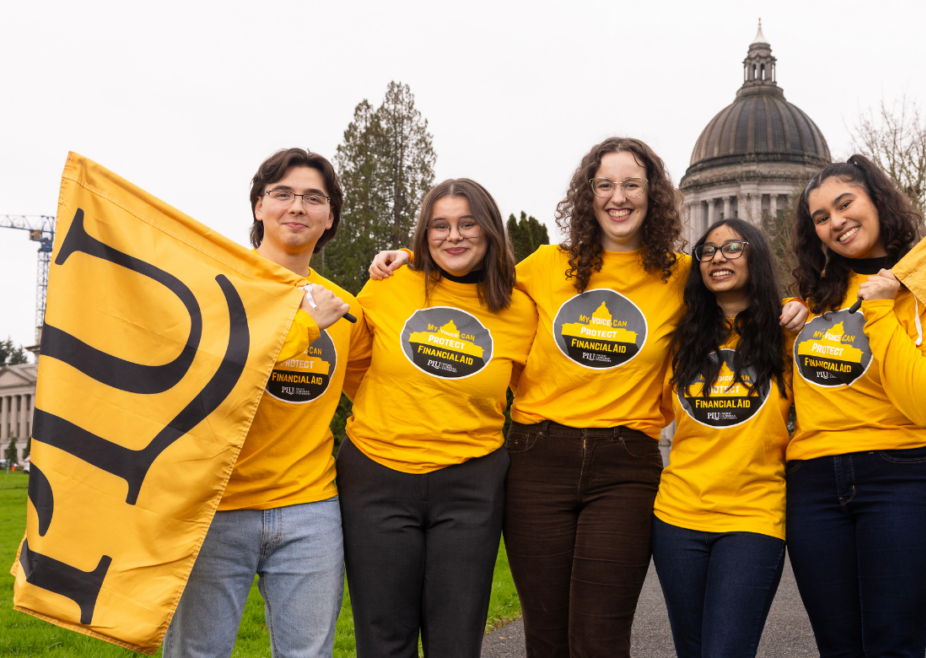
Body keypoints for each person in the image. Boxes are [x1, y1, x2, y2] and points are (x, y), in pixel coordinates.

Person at [370, 137, 808, 657]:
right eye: (604, 185)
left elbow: (740, 291)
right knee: (547, 635)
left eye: (631, 185)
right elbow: (468, 274)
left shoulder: (680, 273)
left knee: (600, 635)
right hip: (538, 459)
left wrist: (793, 304)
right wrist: (411, 258)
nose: (617, 197)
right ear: (587, 194)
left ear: (654, 196)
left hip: (624, 469)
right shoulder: (544, 266)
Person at [164, 148, 359, 658]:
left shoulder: (347, 309)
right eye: (283, 194)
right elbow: (211, 376)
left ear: (329, 217)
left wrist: (402, 266)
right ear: (258, 207)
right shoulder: (217, 291)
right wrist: (304, 327)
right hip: (214, 507)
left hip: (309, 510)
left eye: (313, 198)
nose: (297, 207)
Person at [337, 179, 537, 657]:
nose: (454, 236)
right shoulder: (390, 284)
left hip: (471, 485)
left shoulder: (520, 309)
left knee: (457, 638)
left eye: (468, 224)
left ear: (490, 231)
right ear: (423, 235)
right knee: (384, 636)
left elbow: (536, 389)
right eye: (440, 225)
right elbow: (355, 365)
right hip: (376, 476)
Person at [786, 154, 926, 658]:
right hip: (813, 486)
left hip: (900, 476)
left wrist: (882, 308)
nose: (835, 222)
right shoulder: (812, 299)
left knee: (894, 647)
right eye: (821, 217)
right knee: (837, 649)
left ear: (878, 201)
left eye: (845, 204)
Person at [652, 219, 792, 658]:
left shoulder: (788, 332)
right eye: (707, 251)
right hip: (678, 518)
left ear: (757, 257)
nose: (718, 257)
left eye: (733, 246)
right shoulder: (681, 338)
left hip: (753, 517)